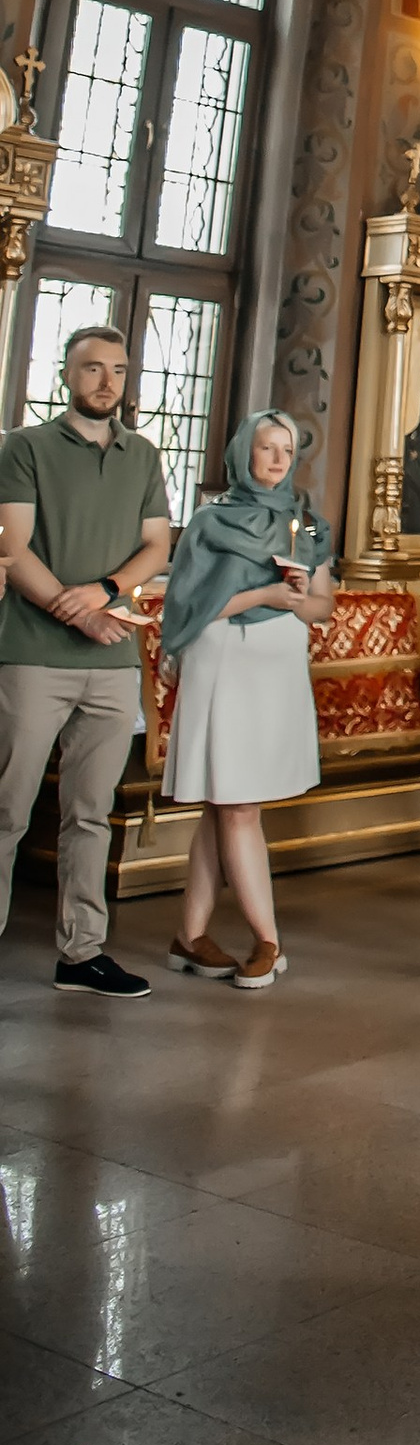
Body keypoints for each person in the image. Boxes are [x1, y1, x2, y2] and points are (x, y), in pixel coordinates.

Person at [0, 324, 172, 998]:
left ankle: (81, 953)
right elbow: (13, 550)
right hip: (33, 656)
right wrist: (77, 612)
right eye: (93, 369)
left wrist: (104, 595)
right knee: (8, 809)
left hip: (113, 662)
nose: (107, 381)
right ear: (67, 375)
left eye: (119, 370)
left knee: (90, 812)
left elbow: (156, 546)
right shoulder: (25, 447)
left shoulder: (142, 455)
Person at [160, 412, 333, 992]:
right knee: (236, 806)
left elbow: (319, 609)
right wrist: (263, 592)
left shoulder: (305, 524)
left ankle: (189, 936)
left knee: (222, 803)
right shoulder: (210, 522)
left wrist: (301, 596)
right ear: (244, 453)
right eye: (267, 447)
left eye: (287, 449)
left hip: (276, 662)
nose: (279, 459)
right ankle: (268, 940)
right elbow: (190, 607)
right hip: (222, 659)